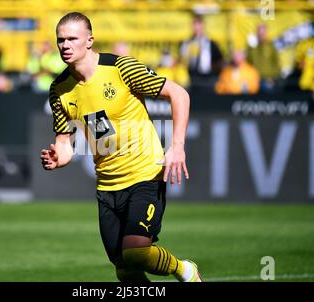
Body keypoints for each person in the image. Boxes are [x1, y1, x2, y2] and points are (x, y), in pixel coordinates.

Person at [40, 12, 201, 282]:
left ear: (89, 40)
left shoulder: (121, 68)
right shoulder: (59, 90)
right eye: (60, 40)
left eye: (72, 39)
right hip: (107, 187)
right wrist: (58, 157)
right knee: (125, 268)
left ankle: (184, 269)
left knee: (136, 253)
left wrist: (177, 146)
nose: (65, 45)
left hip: (145, 174)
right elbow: (64, 145)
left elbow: (178, 93)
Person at [179, 14, 224, 80]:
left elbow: (219, 60)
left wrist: (213, 68)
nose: (196, 27)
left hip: (207, 77)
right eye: (194, 24)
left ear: (203, 25)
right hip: (191, 76)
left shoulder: (210, 43)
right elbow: (182, 59)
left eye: (198, 24)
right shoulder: (187, 43)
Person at [247, 23, 280, 93]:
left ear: (266, 33)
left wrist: (272, 78)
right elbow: (248, 62)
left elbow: (276, 64)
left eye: (263, 32)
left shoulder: (271, 46)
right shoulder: (252, 47)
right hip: (253, 79)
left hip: (268, 79)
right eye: (259, 32)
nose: (261, 34)